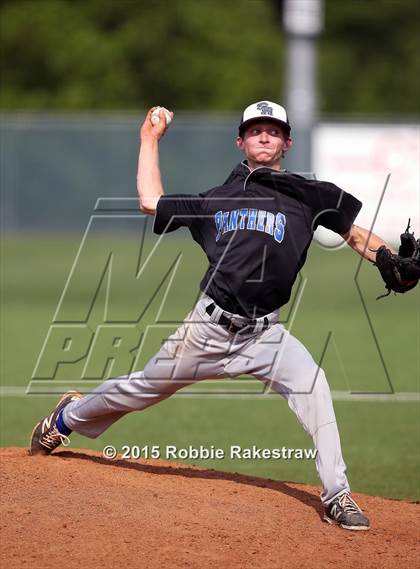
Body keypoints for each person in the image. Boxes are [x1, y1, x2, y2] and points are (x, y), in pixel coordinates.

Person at [30, 101, 398, 531]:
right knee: (141, 389)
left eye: (274, 130)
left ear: (288, 143)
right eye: (256, 130)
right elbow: (151, 201)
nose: (265, 136)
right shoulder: (216, 199)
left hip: (266, 335)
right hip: (206, 331)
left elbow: (353, 234)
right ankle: (66, 418)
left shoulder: (309, 196)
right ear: (240, 142)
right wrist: (149, 140)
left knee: (315, 387)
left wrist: (388, 259)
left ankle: (337, 496)